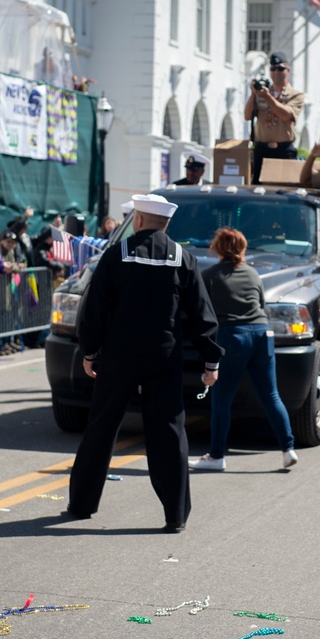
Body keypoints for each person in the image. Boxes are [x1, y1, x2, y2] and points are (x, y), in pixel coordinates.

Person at [67, 194, 222, 532]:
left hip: (119, 356)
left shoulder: (116, 255)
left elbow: (94, 310)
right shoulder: (183, 257)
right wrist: (211, 360)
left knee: (101, 428)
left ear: (137, 220)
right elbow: (201, 314)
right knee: (168, 431)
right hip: (164, 358)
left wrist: (90, 351)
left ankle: (81, 505)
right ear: (166, 224)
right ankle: (175, 515)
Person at [190, 227, 297, 471]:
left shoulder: (210, 275)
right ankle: (288, 449)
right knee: (271, 395)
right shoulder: (253, 274)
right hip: (262, 333)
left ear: (217, 248)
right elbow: (261, 305)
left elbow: (201, 310)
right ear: (242, 248)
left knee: (222, 398)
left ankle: (216, 456)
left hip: (233, 336)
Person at [245, 52, 305, 184]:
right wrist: (253, 94)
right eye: (273, 69)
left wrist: (268, 97)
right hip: (261, 149)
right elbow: (247, 116)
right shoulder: (263, 91)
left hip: (282, 149)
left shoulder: (295, 95)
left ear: (288, 70)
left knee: (283, 189)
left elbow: (286, 115)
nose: (276, 72)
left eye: (280, 68)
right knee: (257, 188)